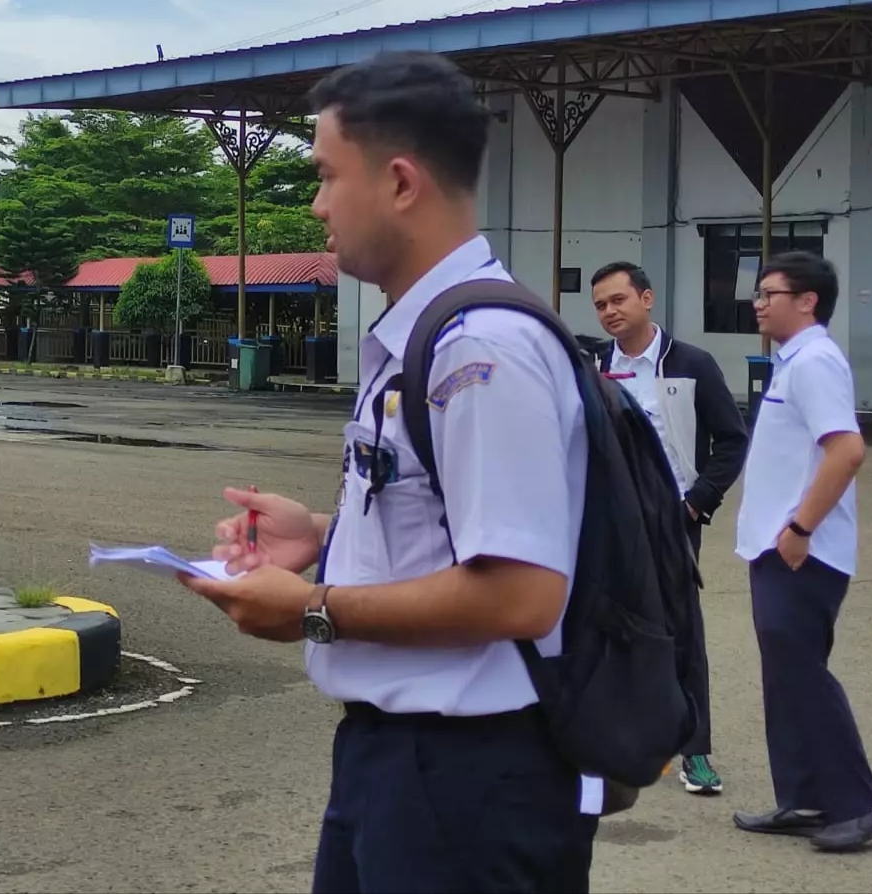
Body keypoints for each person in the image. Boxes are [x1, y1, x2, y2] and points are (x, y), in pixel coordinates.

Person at [180, 50, 599, 893]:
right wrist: (327, 535)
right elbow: (463, 528)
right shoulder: (427, 333)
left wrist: (313, 613)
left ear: (401, 183)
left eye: (328, 176)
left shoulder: (480, 349)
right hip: (399, 758)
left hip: (470, 779)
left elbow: (521, 592)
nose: (316, 203)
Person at [731, 251, 872, 852]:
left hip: (802, 549)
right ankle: (802, 796)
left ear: (807, 302)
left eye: (770, 292)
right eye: (759, 291)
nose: (758, 301)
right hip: (777, 547)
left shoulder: (815, 361)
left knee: (803, 675)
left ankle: (860, 805)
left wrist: (800, 528)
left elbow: (848, 451)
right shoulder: (791, 361)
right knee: (785, 678)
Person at [588, 260, 748, 796]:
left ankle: (694, 751)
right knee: (604, 626)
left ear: (647, 299)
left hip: (672, 516)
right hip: (608, 516)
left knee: (682, 631)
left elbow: (731, 439)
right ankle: (614, 742)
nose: (609, 312)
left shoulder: (692, 363)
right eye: (600, 305)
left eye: (618, 300)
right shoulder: (592, 367)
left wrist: (697, 503)